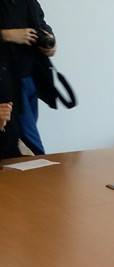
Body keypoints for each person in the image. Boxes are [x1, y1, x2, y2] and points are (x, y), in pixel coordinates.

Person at [0, 0, 55, 156]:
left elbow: (42, 25)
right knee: (31, 142)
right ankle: (43, 167)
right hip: (8, 80)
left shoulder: (29, 2)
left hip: (30, 78)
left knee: (22, 140)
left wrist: (50, 42)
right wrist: (8, 34)